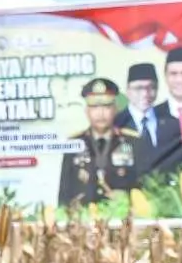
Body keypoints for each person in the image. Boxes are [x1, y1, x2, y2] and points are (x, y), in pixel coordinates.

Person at [57, 77, 140, 209]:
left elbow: (142, 190)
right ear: (87, 111)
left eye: (106, 106)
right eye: (95, 107)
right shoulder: (73, 144)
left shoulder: (133, 142)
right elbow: (64, 195)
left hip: (122, 221)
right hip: (83, 223)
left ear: (115, 109)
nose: (100, 113)